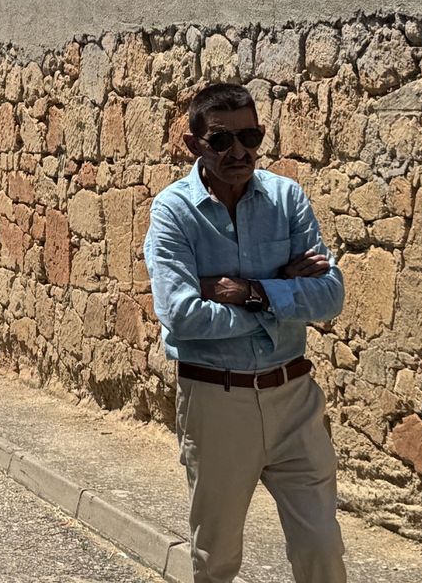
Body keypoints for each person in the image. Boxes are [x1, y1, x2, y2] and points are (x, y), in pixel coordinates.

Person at [144, 83, 345, 583]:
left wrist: (252, 292)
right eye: (221, 141)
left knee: (322, 548)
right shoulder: (172, 212)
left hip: (294, 397)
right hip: (217, 399)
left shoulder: (286, 198)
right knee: (216, 557)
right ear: (193, 145)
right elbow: (183, 316)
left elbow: (330, 297)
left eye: (250, 136)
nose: (239, 152)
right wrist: (281, 297)